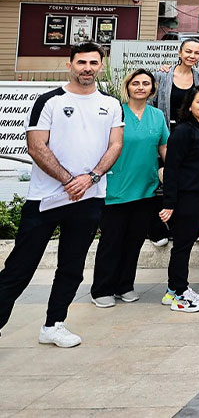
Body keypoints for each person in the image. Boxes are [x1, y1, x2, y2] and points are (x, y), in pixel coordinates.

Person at [0, 42, 123, 347]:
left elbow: (115, 145)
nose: (87, 68)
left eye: (94, 63)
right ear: (69, 65)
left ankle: (54, 324)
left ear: (101, 66)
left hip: (89, 199)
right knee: (20, 267)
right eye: (81, 62)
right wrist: (70, 180)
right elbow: (36, 146)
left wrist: (91, 178)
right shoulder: (49, 101)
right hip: (46, 199)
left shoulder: (110, 104)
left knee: (71, 266)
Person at [90, 69, 170, 308]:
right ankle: (102, 289)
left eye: (146, 83)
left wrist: (173, 172)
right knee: (112, 241)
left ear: (152, 88)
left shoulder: (157, 116)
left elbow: (164, 147)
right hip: (116, 188)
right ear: (128, 87)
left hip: (145, 189)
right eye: (135, 83)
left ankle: (125, 285)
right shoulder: (116, 113)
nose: (140, 87)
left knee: (134, 242)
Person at [159, 86, 199, 313]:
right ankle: (179, 292)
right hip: (186, 198)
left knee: (186, 243)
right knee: (182, 246)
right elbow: (172, 169)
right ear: (190, 105)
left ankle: (171, 290)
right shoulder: (183, 131)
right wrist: (169, 204)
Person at [153, 38, 199, 128]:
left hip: (189, 130)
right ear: (180, 53)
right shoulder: (163, 75)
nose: (192, 56)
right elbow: (151, 103)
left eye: (197, 53)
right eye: (188, 51)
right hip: (165, 129)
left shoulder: (197, 77)